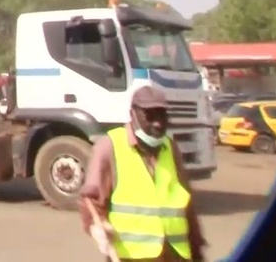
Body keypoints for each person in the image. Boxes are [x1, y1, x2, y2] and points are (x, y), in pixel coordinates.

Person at [79, 86, 206, 262]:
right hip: (133, 257)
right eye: (150, 116)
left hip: (175, 255)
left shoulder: (171, 148)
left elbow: (186, 204)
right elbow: (91, 201)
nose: (158, 123)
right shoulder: (109, 147)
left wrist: (197, 249)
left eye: (162, 115)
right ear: (133, 115)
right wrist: (97, 228)